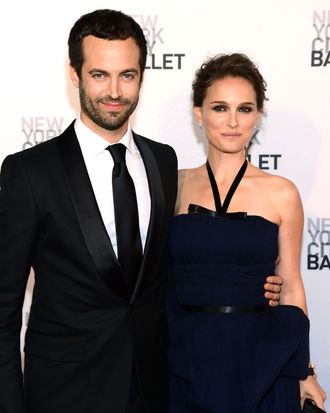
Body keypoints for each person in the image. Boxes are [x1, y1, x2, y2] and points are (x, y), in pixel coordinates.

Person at [0, 9, 282, 413]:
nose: (114, 90)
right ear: (75, 74)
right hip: (65, 394)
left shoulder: (162, 162)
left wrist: (255, 283)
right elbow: (4, 307)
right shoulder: (30, 172)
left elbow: (170, 268)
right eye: (100, 74)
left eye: (127, 75)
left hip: (155, 389)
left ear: (141, 78)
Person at [166, 53, 327, 412]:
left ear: (257, 116)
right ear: (198, 113)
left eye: (245, 109)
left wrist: (304, 370)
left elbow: (291, 286)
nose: (232, 122)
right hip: (186, 357)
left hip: (260, 358)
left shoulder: (282, 192)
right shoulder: (172, 185)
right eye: (220, 108)